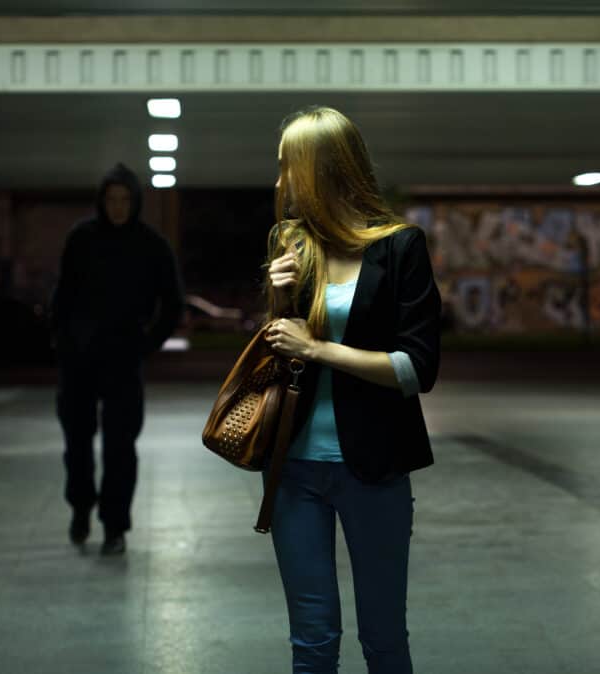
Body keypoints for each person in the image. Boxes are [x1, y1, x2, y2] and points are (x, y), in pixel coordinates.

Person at [260, 105, 441, 674]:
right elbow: (276, 356)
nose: (280, 179)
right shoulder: (292, 246)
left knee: (384, 639)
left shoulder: (400, 247)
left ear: (322, 169)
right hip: (293, 468)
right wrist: (276, 302)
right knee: (311, 644)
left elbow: (418, 369)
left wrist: (318, 349)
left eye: (289, 165)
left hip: (376, 467)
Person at [49, 162, 184, 555]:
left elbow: (172, 303)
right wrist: (61, 338)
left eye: (125, 200)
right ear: (102, 202)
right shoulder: (82, 238)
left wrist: (148, 343)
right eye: (112, 200)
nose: (118, 207)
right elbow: (64, 293)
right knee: (77, 439)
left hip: (124, 358)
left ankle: (114, 526)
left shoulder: (151, 245)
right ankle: (80, 506)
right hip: (78, 358)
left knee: (120, 444)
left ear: (135, 202)